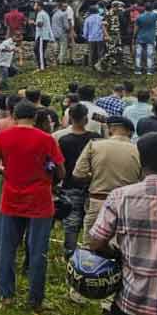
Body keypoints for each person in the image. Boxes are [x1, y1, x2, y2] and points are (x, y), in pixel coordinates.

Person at [90, 132, 157, 315]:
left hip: (132, 304)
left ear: (141, 161)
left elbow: (96, 243)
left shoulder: (120, 197)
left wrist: (116, 254)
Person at [0, 99, 65, 311]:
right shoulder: (47, 139)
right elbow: (61, 171)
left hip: (11, 198)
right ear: (35, 117)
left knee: (7, 250)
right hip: (40, 200)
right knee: (38, 251)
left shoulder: (3, 136)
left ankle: (6, 296)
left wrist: (8, 171)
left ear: (14, 115)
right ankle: (36, 300)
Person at [72, 116, 142, 247]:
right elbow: (143, 180)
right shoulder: (138, 150)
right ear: (130, 132)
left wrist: (94, 176)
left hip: (98, 203)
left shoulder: (94, 145)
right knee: (122, 249)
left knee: (91, 248)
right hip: (126, 206)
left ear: (111, 129)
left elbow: (78, 174)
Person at [57, 103, 99, 258]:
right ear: (85, 118)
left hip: (70, 186)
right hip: (92, 186)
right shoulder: (95, 139)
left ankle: (70, 255)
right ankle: (91, 254)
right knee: (92, 222)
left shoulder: (64, 140)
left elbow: (60, 165)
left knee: (71, 223)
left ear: (70, 118)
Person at [134, 2, 157, 75]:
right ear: (152, 8)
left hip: (140, 37)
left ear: (144, 8)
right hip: (150, 38)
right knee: (149, 54)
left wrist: (134, 36)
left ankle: (138, 70)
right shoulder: (155, 15)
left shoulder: (139, 17)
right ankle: (149, 71)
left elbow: (136, 28)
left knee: (138, 55)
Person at [32, 1, 52, 71]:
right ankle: (44, 65)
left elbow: (40, 24)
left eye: (35, 5)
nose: (34, 6)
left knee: (38, 50)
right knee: (39, 50)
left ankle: (41, 67)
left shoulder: (40, 14)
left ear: (39, 6)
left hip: (42, 36)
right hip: (44, 35)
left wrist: (33, 22)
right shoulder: (44, 13)